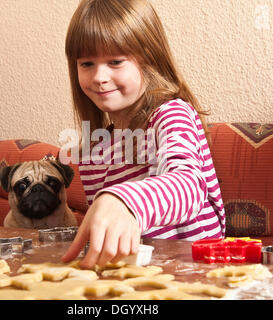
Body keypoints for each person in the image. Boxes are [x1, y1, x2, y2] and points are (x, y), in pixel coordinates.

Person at [61, 0, 225, 269]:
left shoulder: (171, 114)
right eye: (87, 63)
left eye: (115, 61)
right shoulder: (94, 149)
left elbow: (188, 186)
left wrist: (122, 199)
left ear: (149, 59)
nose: (99, 76)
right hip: (140, 280)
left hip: (195, 275)